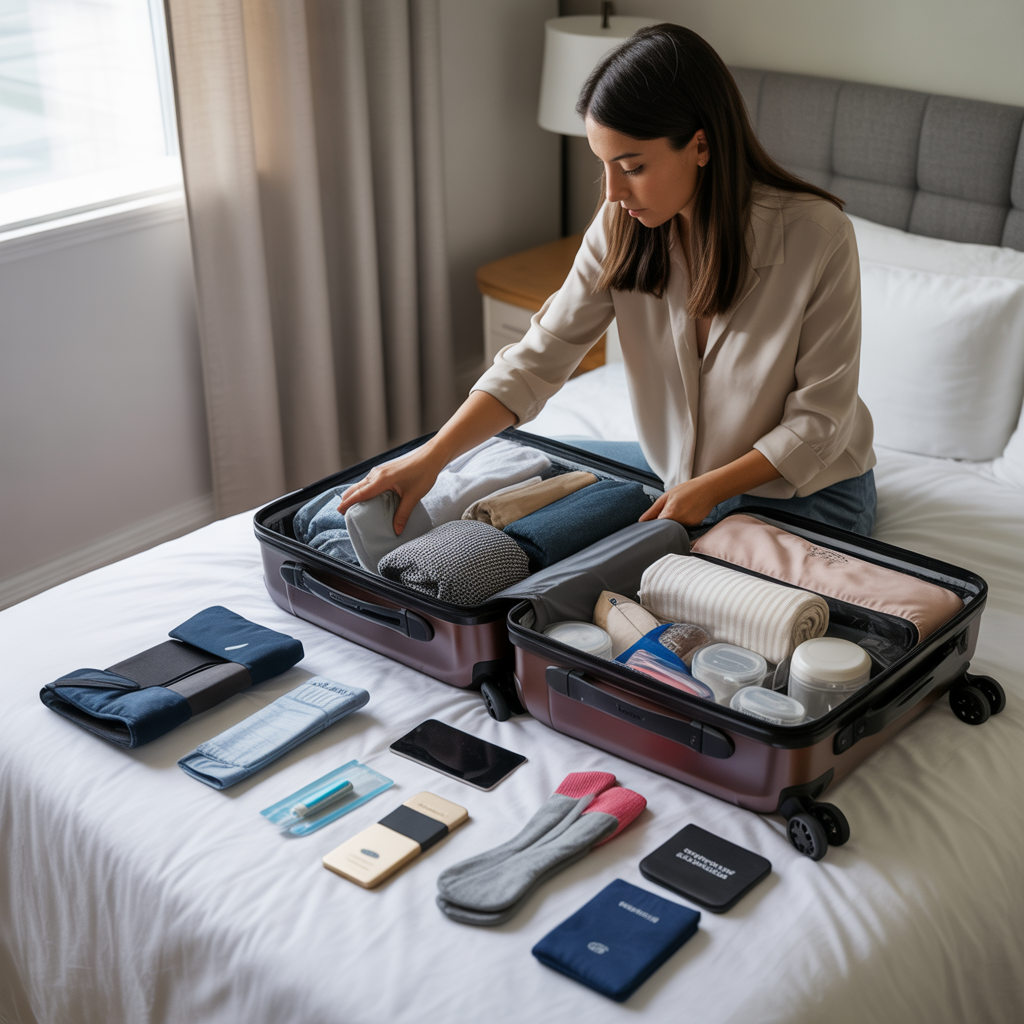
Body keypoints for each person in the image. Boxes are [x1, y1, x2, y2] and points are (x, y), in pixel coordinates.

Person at [339, 24, 876, 537]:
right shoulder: (622, 224)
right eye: (604, 165)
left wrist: (707, 492)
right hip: (683, 478)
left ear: (701, 146)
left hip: (804, 492)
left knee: (698, 591)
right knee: (512, 465)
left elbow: (820, 422)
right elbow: (537, 359)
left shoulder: (817, 235)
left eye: (632, 166)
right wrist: (429, 458)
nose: (613, 191)